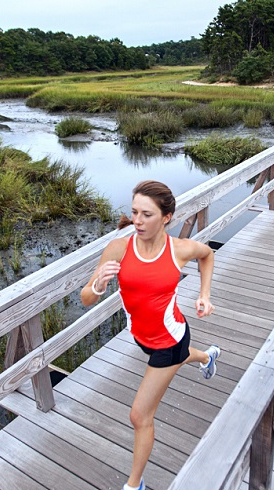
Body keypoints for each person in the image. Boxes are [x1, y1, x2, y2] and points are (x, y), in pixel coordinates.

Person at [81, 180, 220, 490]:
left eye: (147, 214)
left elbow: (207, 254)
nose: (138, 221)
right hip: (142, 337)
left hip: (170, 340)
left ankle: (135, 485)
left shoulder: (179, 250)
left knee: (139, 416)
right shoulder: (119, 249)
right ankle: (207, 357)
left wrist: (205, 294)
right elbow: (86, 298)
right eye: (134, 213)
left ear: (166, 217)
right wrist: (98, 286)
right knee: (184, 357)